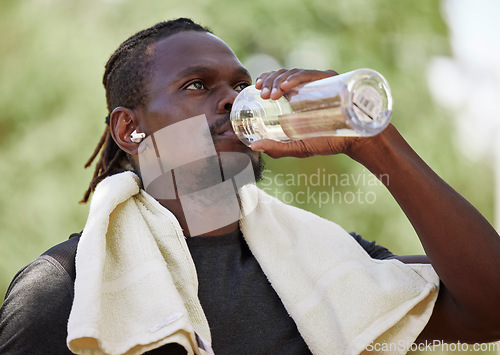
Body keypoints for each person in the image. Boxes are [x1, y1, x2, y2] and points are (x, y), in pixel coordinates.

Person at [0, 17, 499, 355]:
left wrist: (372, 140)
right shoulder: (68, 286)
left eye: (240, 85)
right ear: (130, 129)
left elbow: (489, 308)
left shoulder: (324, 263)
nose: (231, 101)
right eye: (197, 85)